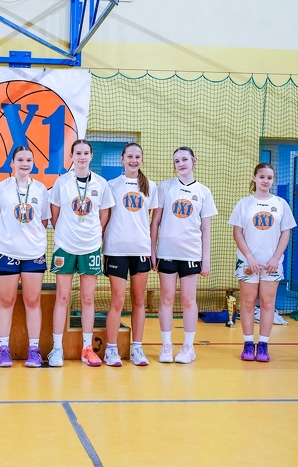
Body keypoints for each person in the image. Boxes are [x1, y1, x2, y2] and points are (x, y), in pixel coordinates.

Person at [48, 139, 115, 367]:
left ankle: (87, 349)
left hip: (90, 247)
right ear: (71, 156)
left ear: (91, 156)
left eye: (86, 153)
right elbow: (54, 214)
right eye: (78, 153)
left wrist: (92, 234)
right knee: (62, 297)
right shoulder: (61, 182)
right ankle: (57, 349)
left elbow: (104, 215)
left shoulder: (101, 184)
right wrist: (66, 233)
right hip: (65, 246)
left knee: (87, 298)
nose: (82, 157)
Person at [150, 146, 217, 364]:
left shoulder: (204, 192)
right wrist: (152, 251)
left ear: (194, 161)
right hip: (167, 252)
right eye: (177, 161)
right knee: (167, 298)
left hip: (191, 253)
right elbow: (155, 222)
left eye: (184, 159)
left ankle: (188, 347)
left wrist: (205, 259)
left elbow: (205, 229)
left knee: (188, 300)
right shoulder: (165, 187)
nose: (180, 164)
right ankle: (166, 346)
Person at [0, 146, 50, 368]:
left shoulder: (40, 189)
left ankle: (34, 349)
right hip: (6, 252)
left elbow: (43, 221)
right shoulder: (1, 188)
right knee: (6, 301)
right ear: (12, 163)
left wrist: (29, 239)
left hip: (34, 253)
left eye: (29, 160)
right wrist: (6, 241)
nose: (25, 164)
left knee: (33, 301)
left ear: (33, 163)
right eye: (20, 160)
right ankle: (3, 349)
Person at [228, 163, 295, 362]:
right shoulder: (244, 204)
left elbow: (285, 233)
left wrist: (275, 258)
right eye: (262, 177)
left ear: (273, 180)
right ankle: (248, 344)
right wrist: (249, 257)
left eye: (269, 177)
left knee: (267, 303)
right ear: (254, 178)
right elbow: (237, 233)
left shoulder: (281, 204)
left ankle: (264, 345)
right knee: (248, 303)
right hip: (248, 263)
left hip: (271, 264)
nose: (266, 181)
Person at [102, 143, 157, 367]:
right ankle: (111, 349)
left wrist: (152, 251)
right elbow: (105, 217)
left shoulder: (150, 186)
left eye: (137, 157)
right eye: (130, 156)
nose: (134, 160)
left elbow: (150, 221)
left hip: (141, 250)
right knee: (117, 300)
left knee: (139, 300)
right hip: (116, 249)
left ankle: (137, 348)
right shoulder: (111, 185)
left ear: (142, 160)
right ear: (122, 159)